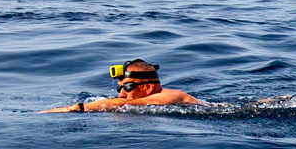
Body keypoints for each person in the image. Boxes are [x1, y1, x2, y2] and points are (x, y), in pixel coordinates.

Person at [42, 59, 205, 113]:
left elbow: (124, 103)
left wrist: (77, 108)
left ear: (148, 88)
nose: (121, 94)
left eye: (127, 88)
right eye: (119, 88)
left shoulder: (169, 96)